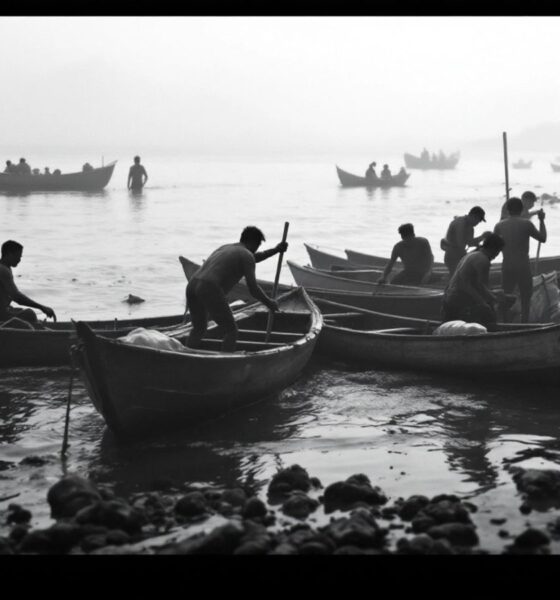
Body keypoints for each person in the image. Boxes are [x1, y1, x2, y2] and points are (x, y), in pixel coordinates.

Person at [186, 226, 288, 352]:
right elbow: (253, 288)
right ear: (253, 242)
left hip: (192, 285)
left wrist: (276, 250)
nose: (257, 249)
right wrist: (269, 303)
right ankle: (224, 364)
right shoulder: (246, 256)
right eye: (258, 245)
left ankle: (185, 356)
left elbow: (253, 257)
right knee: (231, 331)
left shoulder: (226, 248)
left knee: (198, 328)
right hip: (209, 287)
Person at [494, 196, 547, 323]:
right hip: (523, 265)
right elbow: (543, 238)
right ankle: (524, 324)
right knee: (525, 298)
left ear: (507, 209)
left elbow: (492, 246)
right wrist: (541, 221)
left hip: (507, 265)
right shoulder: (526, 224)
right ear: (522, 209)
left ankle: (504, 324)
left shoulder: (499, 225)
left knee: (505, 297)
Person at [441, 233, 506, 329]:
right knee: (489, 314)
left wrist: (492, 295)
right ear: (493, 248)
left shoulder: (471, 255)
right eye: (498, 251)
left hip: (448, 298)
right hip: (458, 300)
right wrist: (491, 300)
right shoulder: (483, 260)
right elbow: (479, 287)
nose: (497, 255)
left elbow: (477, 285)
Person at [0, 240, 56, 325]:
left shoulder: (6, 268)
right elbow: (16, 297)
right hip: (1, 315)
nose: (19, 259)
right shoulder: (3, 270)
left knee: (20, 311)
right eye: (18, 256)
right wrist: (42, 307)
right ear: (9, 254)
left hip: (4, 311)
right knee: (29, 314)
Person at [441, 206, 490, 276]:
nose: (477, 223)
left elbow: (469, 243)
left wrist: (483, 238)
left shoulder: (470, 227)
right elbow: (460, 243)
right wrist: (481, 238)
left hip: (459, 254)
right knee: (456, 279)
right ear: (472, 215)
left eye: (479, 221)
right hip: (452, 256)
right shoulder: (460, 223)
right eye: (477, 220)